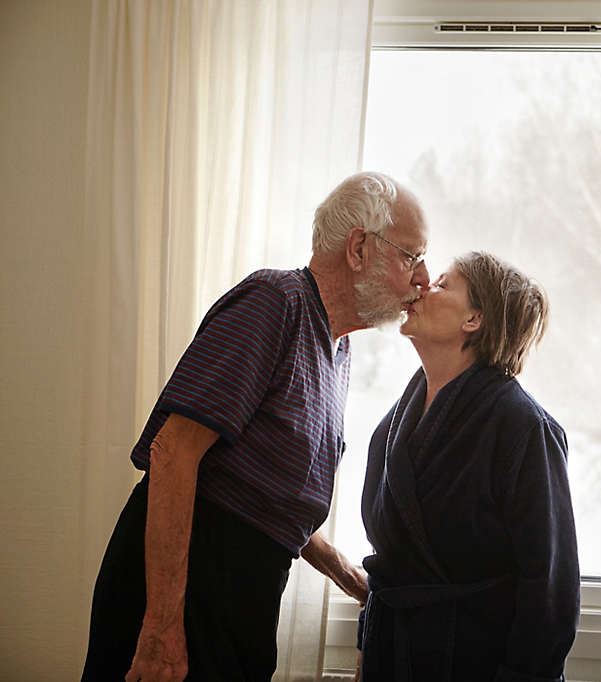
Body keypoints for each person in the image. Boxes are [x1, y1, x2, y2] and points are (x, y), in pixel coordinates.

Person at [82, 171, 431, 682]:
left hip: (246, 594)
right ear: (358, 247)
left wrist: (345, 572)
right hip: (188, 588)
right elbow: (175, 453)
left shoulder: (339, 349)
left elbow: (265, 494)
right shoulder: (276, 301)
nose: (423, 279)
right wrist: (159, 628)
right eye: (412, 257)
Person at [357, 252, 580, 682]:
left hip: (477, 659)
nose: (422, 287)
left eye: (442, 284)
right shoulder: (394, 424)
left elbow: (551, 588)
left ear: (473, 319)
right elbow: (388, 565)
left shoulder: (523, 427)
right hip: (393, 654)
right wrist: (368, 653)